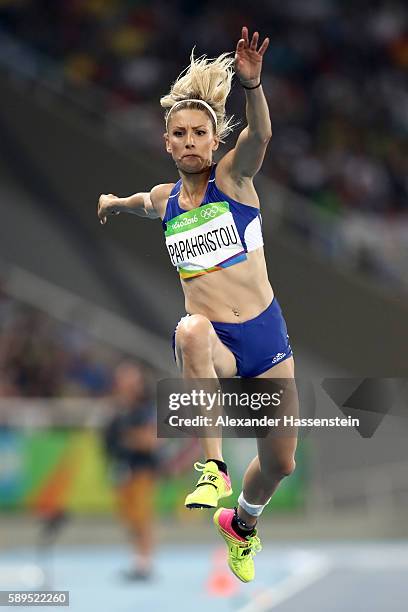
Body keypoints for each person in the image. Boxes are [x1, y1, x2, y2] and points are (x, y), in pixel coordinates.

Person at [98, 27, 297, 583]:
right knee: (189, 331)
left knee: (282, 462)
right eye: (179, 134)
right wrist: (115, 202)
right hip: (218, 343)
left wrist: (253, 84)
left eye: (199, 133)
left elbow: (260, 134)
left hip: (266, 337)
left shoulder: (233, 181)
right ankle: (212, 467)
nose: (189, 141)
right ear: (167, 142)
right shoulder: (166, 201)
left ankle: (244, 523)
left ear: (214, 141)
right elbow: (145, 201)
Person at [103, 361, 158, 580]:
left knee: (141, 516)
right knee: (129, 518)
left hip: (141, 470)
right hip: (122, 470)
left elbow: (150, 440)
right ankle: (137, 559)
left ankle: (145, 561)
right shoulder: (116, 410)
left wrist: (129, 438)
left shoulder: (144, 409)